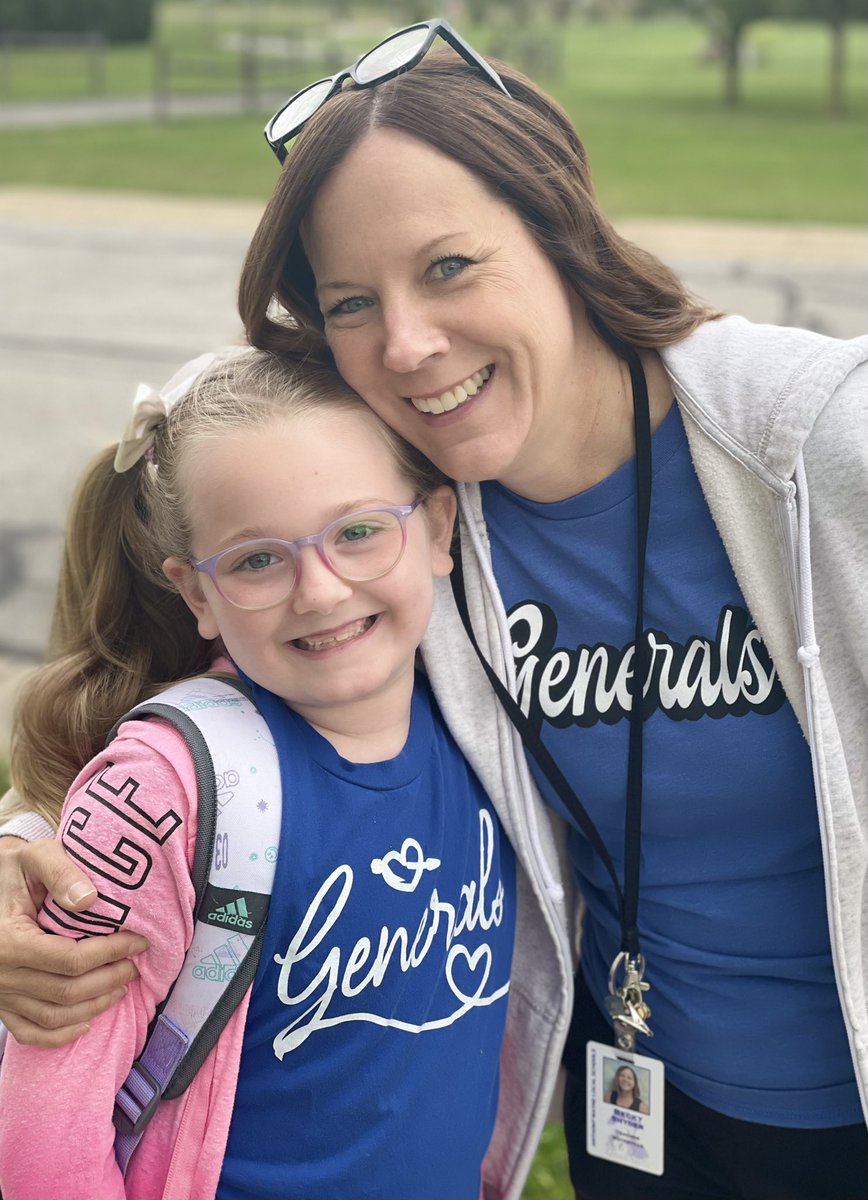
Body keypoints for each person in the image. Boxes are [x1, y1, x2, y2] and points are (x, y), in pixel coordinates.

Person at [0, 16, 866, 1200]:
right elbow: (169, 627)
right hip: (636, 1106)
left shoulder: (817, 443)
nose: (408, 345)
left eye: (450, 266)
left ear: (560, 234)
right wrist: (28, 846)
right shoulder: (394, 508)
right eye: (351, 301)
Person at [0, 346, 530, 1200]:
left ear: (436, 528)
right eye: (256, 560)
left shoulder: (489, 728)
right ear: (196, 595)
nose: (319, 592)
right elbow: (44, 1132)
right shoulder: (170, 791)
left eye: (359, 531)